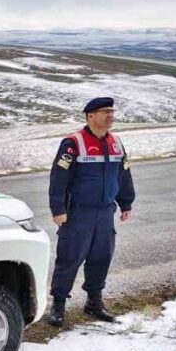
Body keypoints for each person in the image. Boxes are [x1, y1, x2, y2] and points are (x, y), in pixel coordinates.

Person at [47, 97, 135, 326]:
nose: (110, 116)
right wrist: (58, 209)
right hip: (78, 213)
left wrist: (126, 203)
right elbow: (59, 179)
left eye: (111, 112)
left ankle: (94, 303)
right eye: (105, 112)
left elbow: (123, 175)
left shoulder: (116, 142)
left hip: (105, 212)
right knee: (69, 258)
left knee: (101, 258)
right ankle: (58, 305)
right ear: (90, 116)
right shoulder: (73, 143)